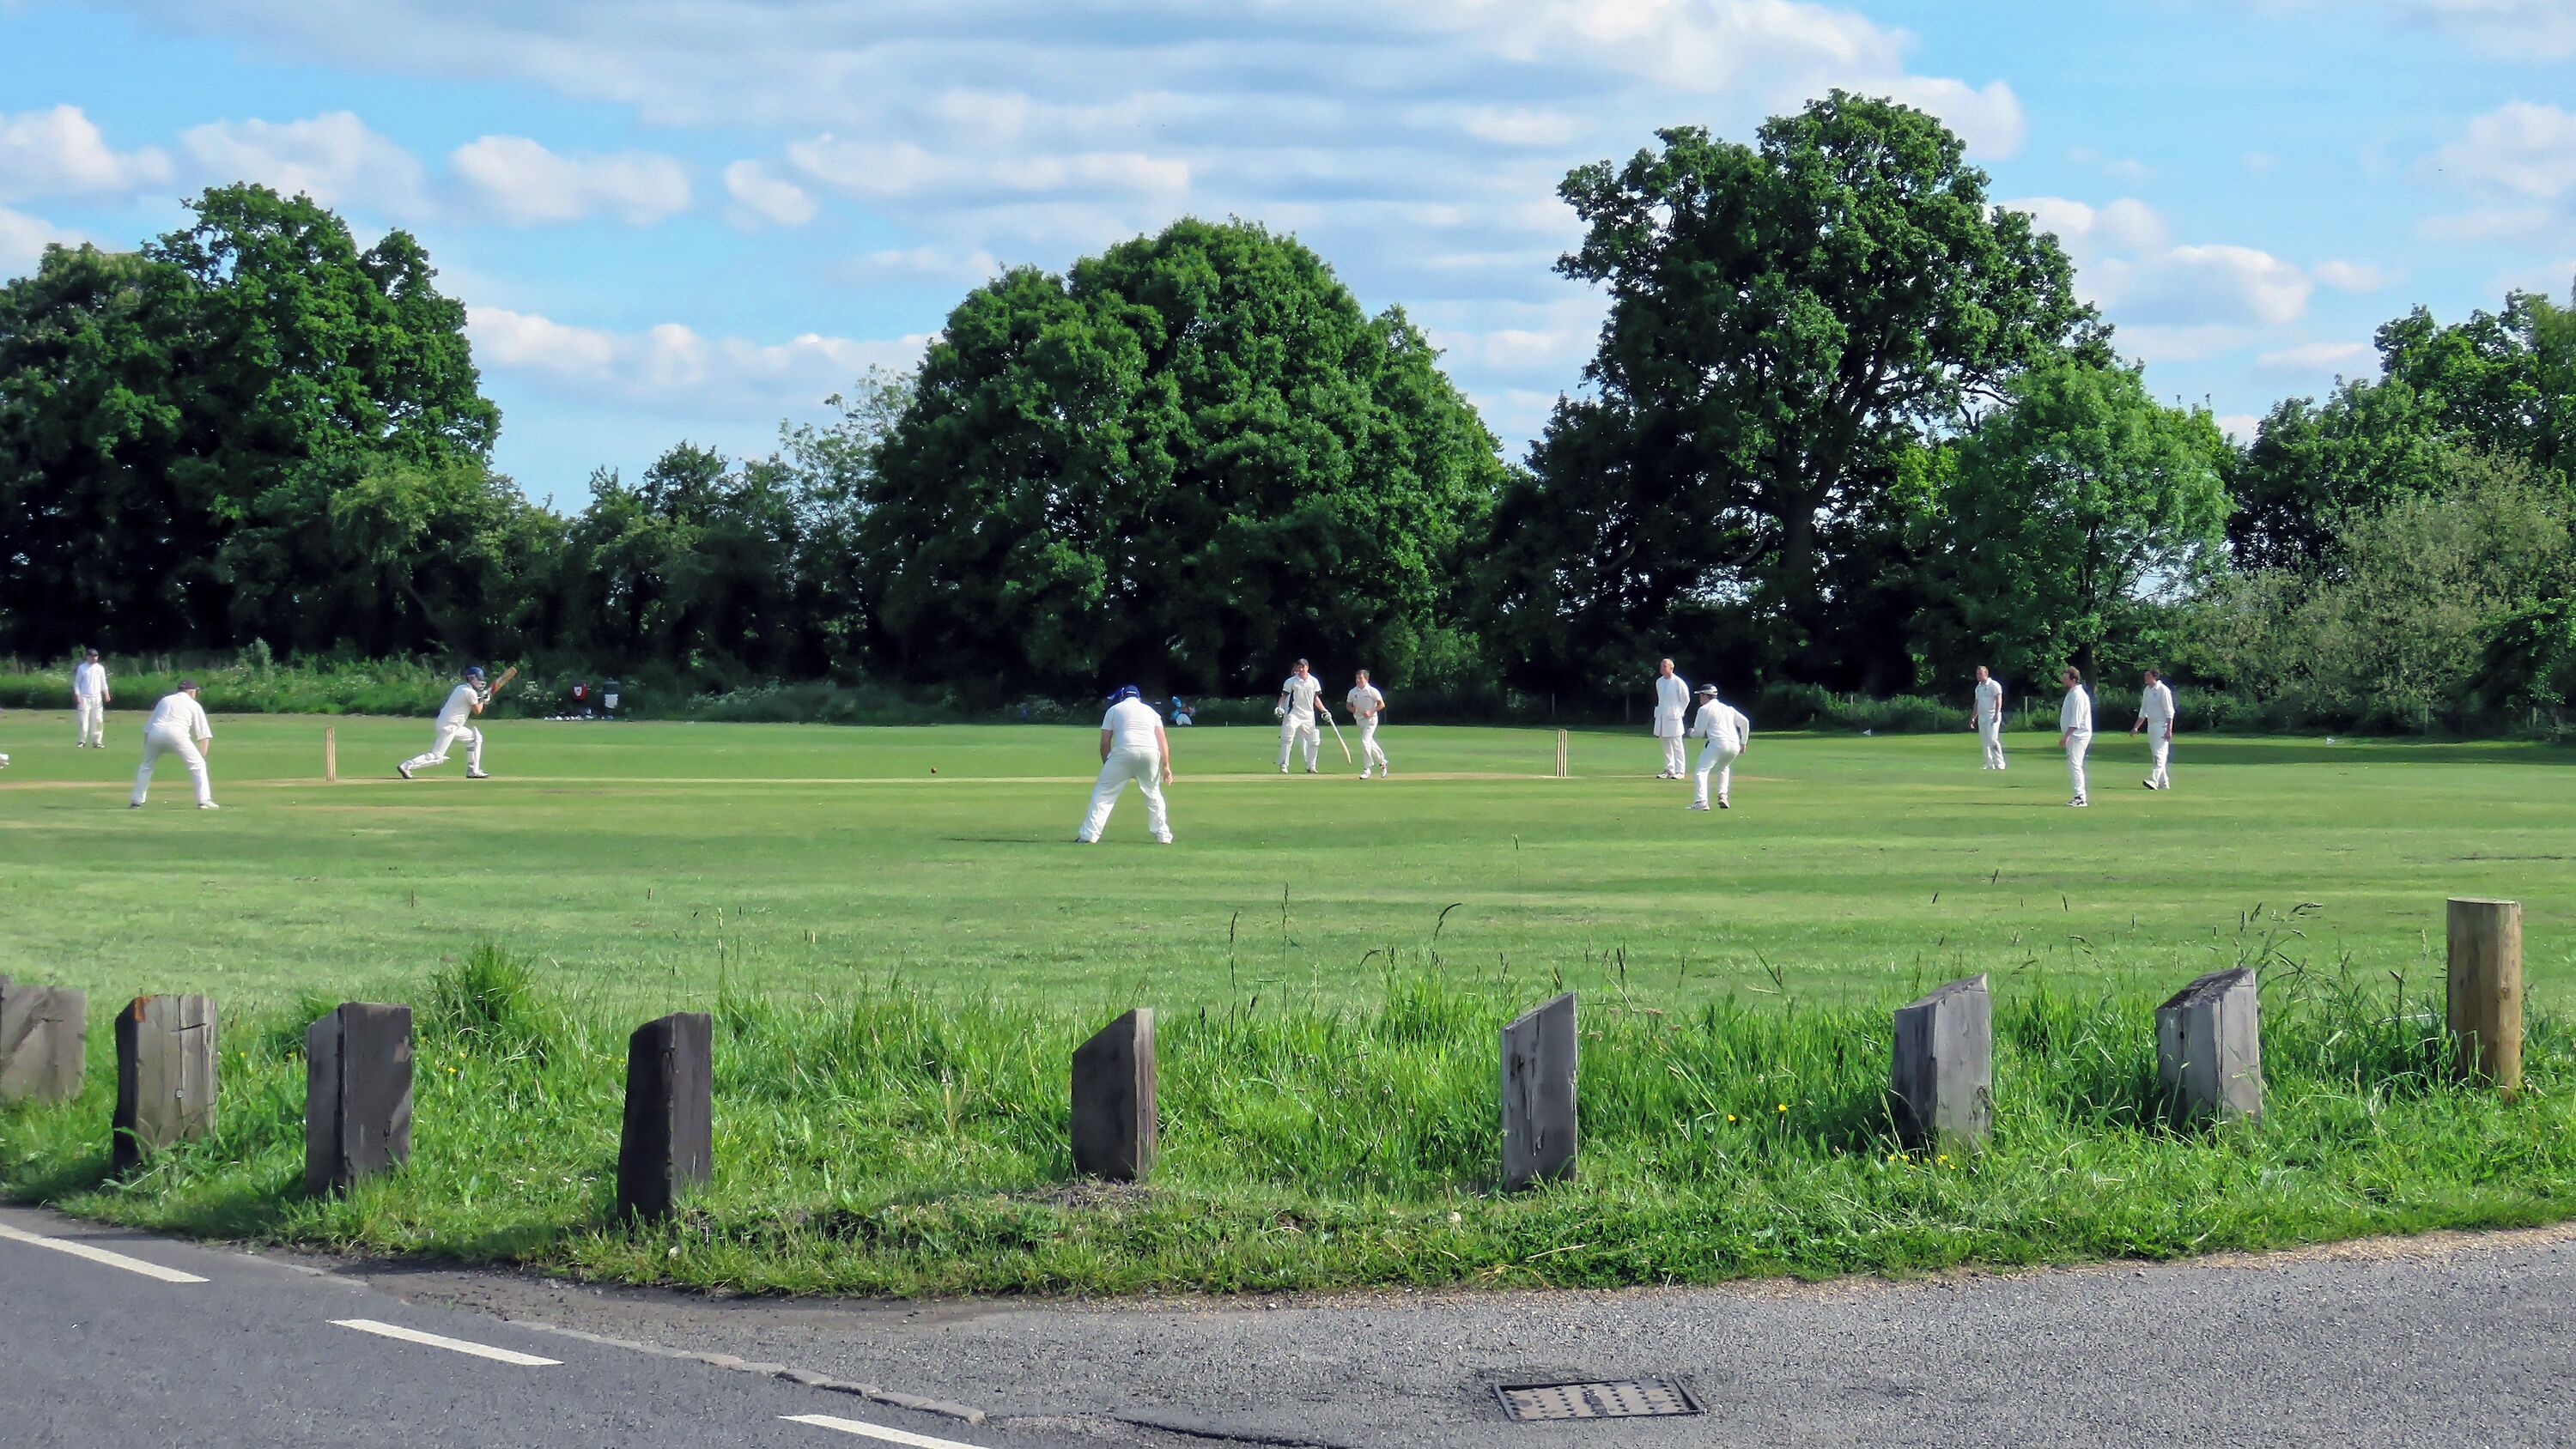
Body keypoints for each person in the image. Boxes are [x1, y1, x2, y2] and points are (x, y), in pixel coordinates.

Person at [1078, 685, 1174, 844]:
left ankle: (1089, 836)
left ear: (1122, 697)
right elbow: (1162, 740)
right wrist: (1166, 766)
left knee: (1103, 794)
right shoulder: (1151, 711)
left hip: (1123, 752)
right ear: (1139, 698)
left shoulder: (1114, 710)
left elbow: (1104, 743)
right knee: (1153, 795)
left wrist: (1107, 764)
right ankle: (1163, 836)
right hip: (1150, 753)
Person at [130, 679, 216, 809]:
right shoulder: (193, 704)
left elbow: (147, 730)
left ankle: (136, 801)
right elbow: (204, 735)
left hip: (155, 733)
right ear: (192, 692)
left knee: (146, 766)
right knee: (198, 765)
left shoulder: (165, 700)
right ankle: (204, 801)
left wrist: (148, 750)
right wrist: (201, 758)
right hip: (177, 734)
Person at [401, 666, 494, 780]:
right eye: (479, 679)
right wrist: (484, 700)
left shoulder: (461, 688)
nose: (481, 681)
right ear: (471, 678)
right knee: (437, 756)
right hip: (450, 726)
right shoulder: (469, 692)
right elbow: (477, 711)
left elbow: (475, 702)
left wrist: (482, 698)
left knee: (475, 738)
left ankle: (473, 770)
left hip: (450, 725)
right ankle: (406, 766)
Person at [1686, 683, 1751, 810]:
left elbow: (1699, 733)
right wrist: (1743, 742)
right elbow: (1745, 722)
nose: (1700, 698)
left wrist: (1689, 732)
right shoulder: (1728, 708)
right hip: (1734, 745)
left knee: (1701, 771)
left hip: (1717, 743)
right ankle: (1723, 795)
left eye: (1701, 695)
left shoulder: (1704, 709)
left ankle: (1701, 802)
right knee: (1724, 767)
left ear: (1705, 695)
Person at [1275, 658, 1326, 773]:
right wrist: (1280, 707)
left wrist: (1324, 710)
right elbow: (1284, 696)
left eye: (1303, 667)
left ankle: (1311, 766)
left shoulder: (1314, 681)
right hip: (1294, 714)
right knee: (1287, 737)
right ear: (1297, 668)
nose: (1301, 669)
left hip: (1308, 715)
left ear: (1307, 668)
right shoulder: (1291, 681)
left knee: (1314, 739)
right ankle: (1284, 764)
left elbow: (1316, 699)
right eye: (1299, 667)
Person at [2132, 667, 2177, 791]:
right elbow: (2143, 711)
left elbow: (2169, 711)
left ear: (2154, 676)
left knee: (2160, 755)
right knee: (2156, 755)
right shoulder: (2147, 690)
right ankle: (2164, 783)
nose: (2145, 678)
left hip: (2162, 725)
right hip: (2151, 725)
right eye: (2145, 675)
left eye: (2148, 676)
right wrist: (2136, 727)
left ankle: (2153, 780)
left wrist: (2169, 729)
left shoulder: (2163, 690)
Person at [1346, 670, 1391, 779]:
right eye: (1357, 678)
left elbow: (1381, 704)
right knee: (1370, 743)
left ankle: (1367, 768)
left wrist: (1371, 711)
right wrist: (1353, 710)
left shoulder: (1372, 691)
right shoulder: (1353, 692)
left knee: (1365, 742)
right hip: (1359, 720)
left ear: (1366, 679)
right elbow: (1348, 705)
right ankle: (1382, 763)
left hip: (1371, 720)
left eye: (1360, 678)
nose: (1358, 681)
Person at [2058, 666, 2093, 808]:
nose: (2063, 680)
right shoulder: (2072, 693)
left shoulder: (2078, 695)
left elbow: (2076, 721)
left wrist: (2066, 736)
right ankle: (2079, 795)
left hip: (2078, 735)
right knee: (2074, 764)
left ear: (2073, 679)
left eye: (2065, 678)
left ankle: (2080, 797)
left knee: (2075, 765)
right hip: (2074, 735)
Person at [1652, 658, 1690, 779]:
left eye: (1664, 666)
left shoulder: (1678, 682)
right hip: (1662, 716)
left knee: (1677, 744)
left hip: (1674, 717)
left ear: (1671, 668)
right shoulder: (1659, 682)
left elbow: (1686, 699)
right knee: (1665, 743)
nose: (1662, 668)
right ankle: (1669, 769)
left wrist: (1679, 712)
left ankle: (1680, 771)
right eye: (1661, 666)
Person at [1971, 664, 2006, 770]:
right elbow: (1977, 704)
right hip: (1982, 717)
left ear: (1986, 673)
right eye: (1977, 674)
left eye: (1980, 673)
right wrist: (1973, 717)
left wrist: (1996, 713)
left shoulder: (1993, 685)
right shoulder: (1978, 688)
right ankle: (1988, 763)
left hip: (1992, 715)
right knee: (1984, 741)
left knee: (1992, 739)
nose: (1978, 675)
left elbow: (1998, 699)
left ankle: (2000, 762)